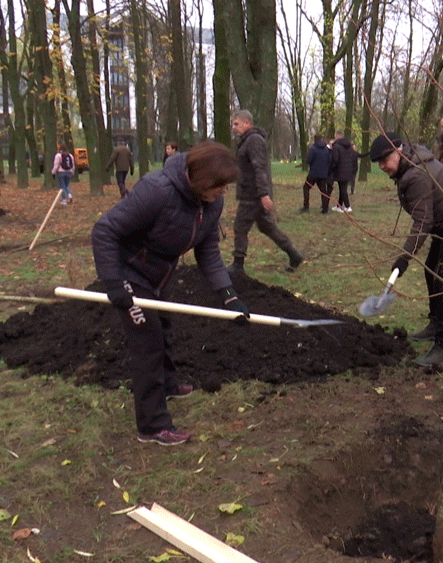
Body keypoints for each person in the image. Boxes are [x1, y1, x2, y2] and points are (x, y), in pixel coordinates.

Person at [91, 141, 250, 445]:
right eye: (220, 186)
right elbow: (104, 230)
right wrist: (113, 282)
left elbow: (208, 249)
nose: (223, 193)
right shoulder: (157, 190)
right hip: (129, 272)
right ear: (200, 179)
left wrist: (228, 294)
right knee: (146, 342)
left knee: (162, 326)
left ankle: (167, 385)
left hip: (158, 274)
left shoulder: (211, 202)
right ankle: (152, 426)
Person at [368, 131, 443, 368]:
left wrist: (403, 259)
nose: (382, 166)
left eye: (385, 160)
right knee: (431, 270)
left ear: (398, 151)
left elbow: (423, 223)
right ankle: (436, 323)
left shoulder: (416, 174)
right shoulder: (410, 165)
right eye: (379, 163)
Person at [228, 109, 304, 274]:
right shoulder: (246, 141)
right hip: (252, 193)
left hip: (253, 195)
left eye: (236, 124)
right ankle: (294, 255)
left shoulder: (254, 140)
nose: (234, 127)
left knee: (240, 228)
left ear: (247, 123)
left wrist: (263, 194)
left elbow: (260, 168)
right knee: (268, 228)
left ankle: (238, 265)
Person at [302, 134, 332, 214]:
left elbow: (308, 160)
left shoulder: (313, 149)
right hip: (323, 175)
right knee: (323, 191)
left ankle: (306, 206)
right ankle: (325, 209)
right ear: (322, 139)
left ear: (315, 139)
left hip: (313, 174)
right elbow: (329, 160)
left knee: (306, 188)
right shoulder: (326, 149)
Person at [330, 131, 359, 213]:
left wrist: (331, 169)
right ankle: (339, 206)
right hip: (348, 170)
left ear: (337, 136)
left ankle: (347, 206)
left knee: (343, 190)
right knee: (342, 188)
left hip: (340, 170)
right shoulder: (349, 146)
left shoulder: (336, 146)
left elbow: (335, 159)